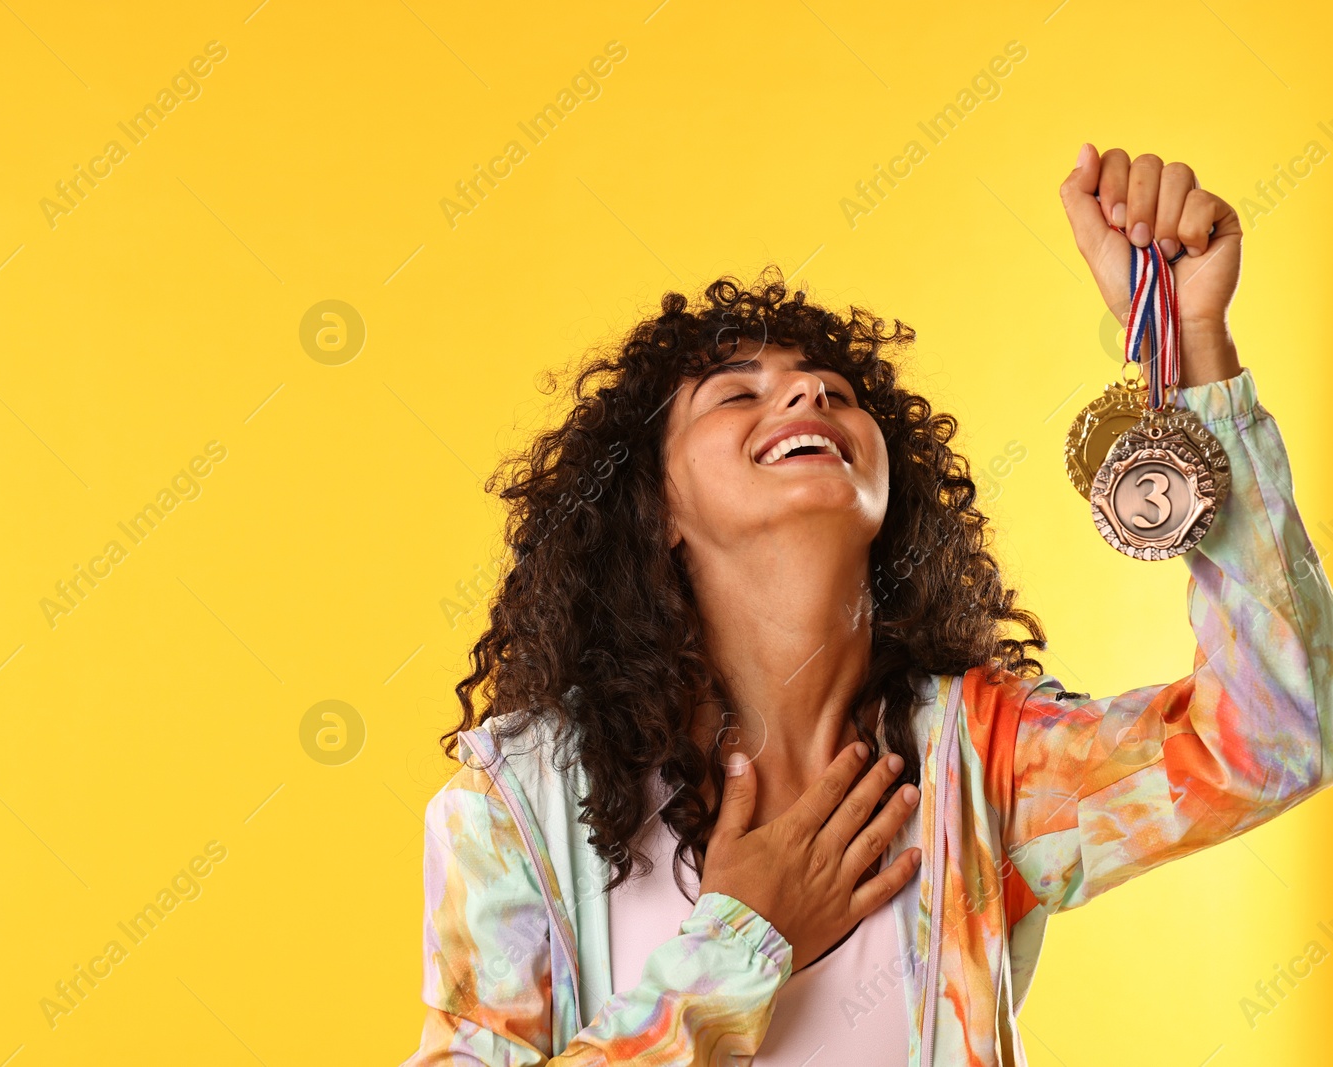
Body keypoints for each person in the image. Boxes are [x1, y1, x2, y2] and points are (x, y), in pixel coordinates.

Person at [400, 144, 1333, 1065]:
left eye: (836, 393)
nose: (807, 391)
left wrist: (1193, 342)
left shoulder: (978, 768)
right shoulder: (516, 807)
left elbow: (1276, 736)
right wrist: (740, 944)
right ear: (658, 511)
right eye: (737, 394)